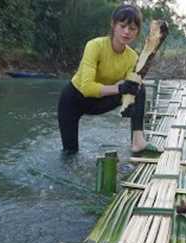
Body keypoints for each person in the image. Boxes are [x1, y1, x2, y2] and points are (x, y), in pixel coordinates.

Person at [57, 4, 163, 155]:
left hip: (100, 100)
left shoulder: (132, 57)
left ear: (137, 32)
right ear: (113, 25)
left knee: (138, 87)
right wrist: (119, 88)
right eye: (123, 26)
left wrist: (128, 101)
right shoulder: (95, 46)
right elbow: (87, 88)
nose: (126, 32)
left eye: (132, 28)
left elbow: (128, 87)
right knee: (70, 152)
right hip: (73, 99)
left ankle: (138, 141)